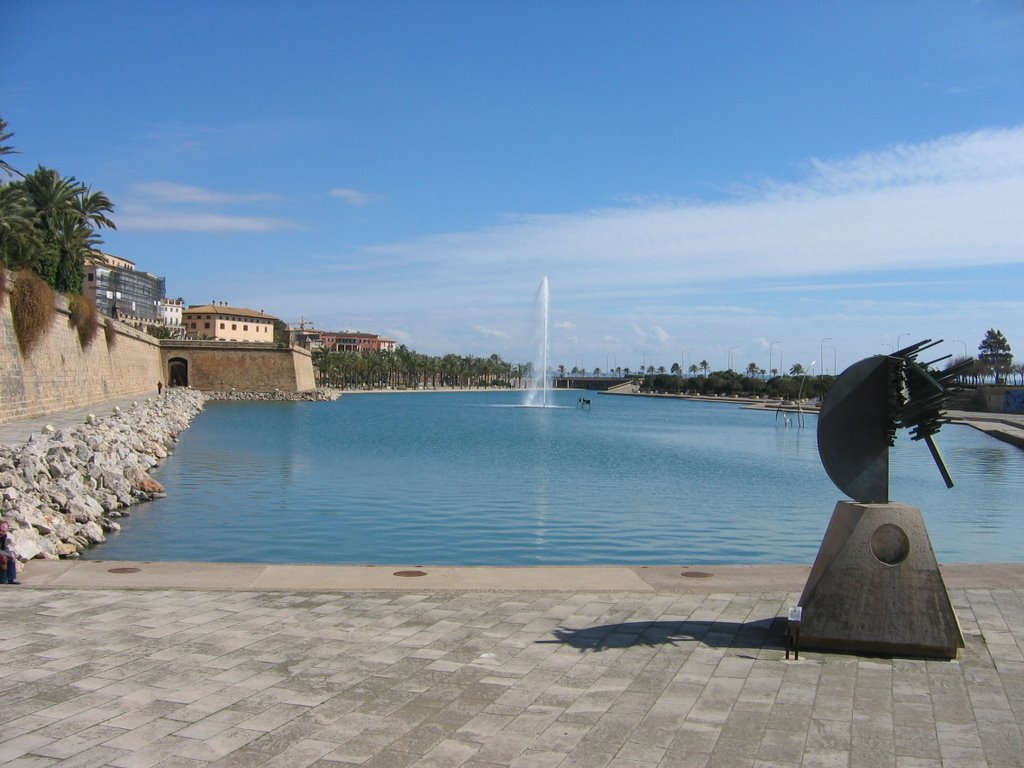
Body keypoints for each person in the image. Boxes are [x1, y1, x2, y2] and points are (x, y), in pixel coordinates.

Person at [0, 520, 19, 585]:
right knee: (3, 558)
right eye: (0, 530)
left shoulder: (3, 537)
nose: (1, 532)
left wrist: (10, 555)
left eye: (3, 531)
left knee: (11, 558)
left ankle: (11, 579)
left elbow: (4, 549)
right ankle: (3, 579)